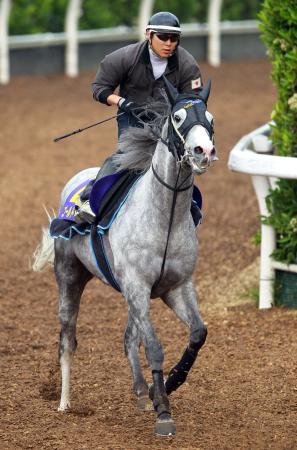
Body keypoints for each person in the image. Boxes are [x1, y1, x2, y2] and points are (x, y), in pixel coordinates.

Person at [75, 11, 204, 224]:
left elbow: (194, 99)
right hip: (131, 117)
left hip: (168, 121)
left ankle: (189, 207)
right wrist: (122, 102)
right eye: (163, 37)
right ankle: (90, 201)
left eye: (174, 39)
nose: (169, 44)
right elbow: (99, 89)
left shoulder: (187, 64)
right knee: (127, 156)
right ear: (148, 35)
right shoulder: (123, 57)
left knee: (178, 162)